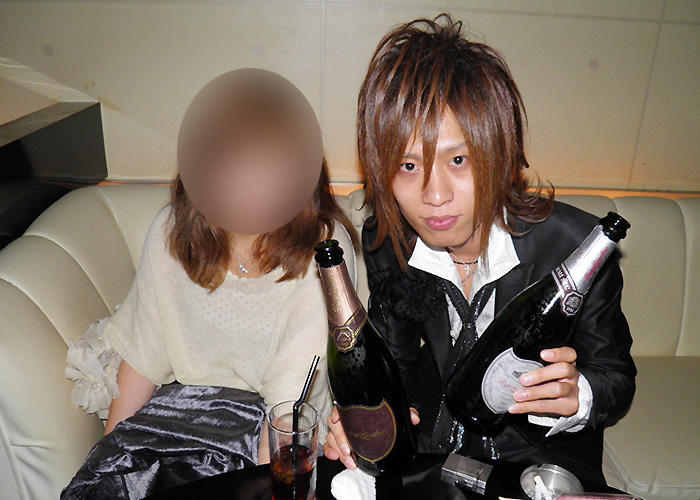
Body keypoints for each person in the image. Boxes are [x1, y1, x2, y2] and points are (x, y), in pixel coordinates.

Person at [324, 14, 636, 483]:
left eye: (458, 159)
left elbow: (615, 374)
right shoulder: (387, 240)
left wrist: (579, 395)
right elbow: (394, 361)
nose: (434, 196)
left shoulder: (576, 246)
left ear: (500, 153)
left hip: (541, 458)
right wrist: (364, 418)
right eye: (408, 165)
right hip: (433, 449)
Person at [63, 69, 357, 499]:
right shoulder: (171, 231)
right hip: (172, 419)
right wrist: (107, 458)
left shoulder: (325, 250)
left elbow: (290, 407)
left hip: (258, 433)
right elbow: (143, 355)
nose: (250, 183)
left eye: (268, 165)